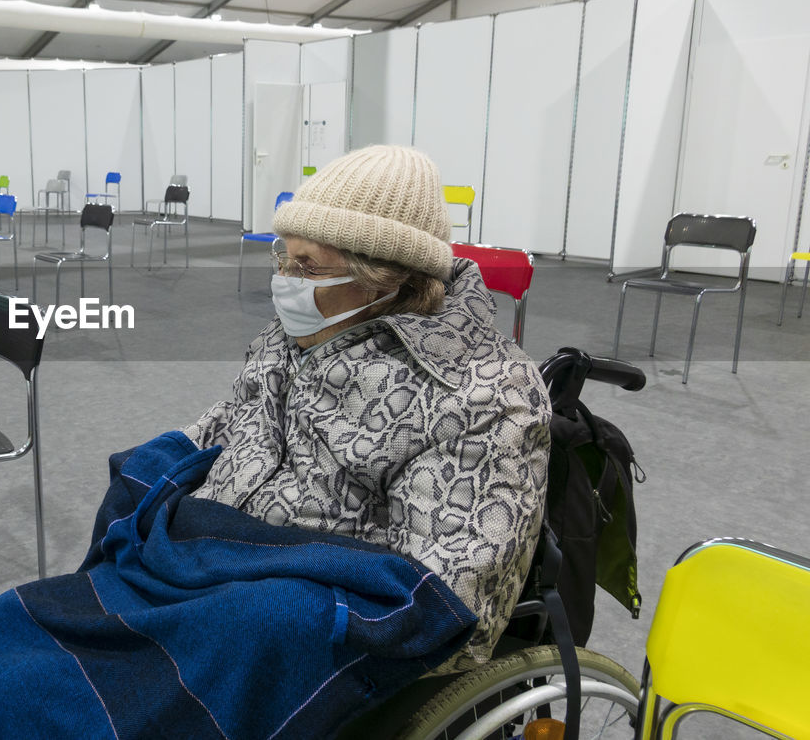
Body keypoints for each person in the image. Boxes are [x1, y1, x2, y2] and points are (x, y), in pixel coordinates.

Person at [186, 143, 551, 669]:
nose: (285, 280)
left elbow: (440, 612)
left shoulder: (481, 397)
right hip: (203, 568)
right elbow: (233, 421)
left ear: (388, 274)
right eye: (284, 257)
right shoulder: (297, 335)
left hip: (286, 635)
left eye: (307, 264)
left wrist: (251, 600)